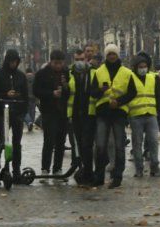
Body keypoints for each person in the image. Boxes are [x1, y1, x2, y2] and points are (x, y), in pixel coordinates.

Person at [89, 44, 136, 188]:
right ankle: (99, 176)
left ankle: (117, 176)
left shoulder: (127, 73)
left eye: (113, 54)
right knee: (101, 145)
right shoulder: (98, 72)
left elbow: (132, 92)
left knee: (119, 145)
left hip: (119, 112)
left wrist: (120, 102)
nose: (111, 56)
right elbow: (92, 92)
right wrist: (101, 90)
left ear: (117, 55)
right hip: (103, 111)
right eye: (109, 54)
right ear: (106, 56)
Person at [0, 49, 29, 185]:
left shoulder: (21, 76)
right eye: (11, 62)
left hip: (17, 113)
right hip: (3, 113)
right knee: (1, 142)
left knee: (17, 143)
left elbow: (25, 95)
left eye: (16, 62)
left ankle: (16, 170)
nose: (13, 64)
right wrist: (6, 95)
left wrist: (22, 109)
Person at [33, 50, 71, 176]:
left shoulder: (66, 73)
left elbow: (70, 91)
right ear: (51, 61)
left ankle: (57, 168)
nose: (58, 66)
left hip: (62, 111)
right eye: (56, 63)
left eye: (60, 63)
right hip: (49, 111)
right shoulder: (42, 74)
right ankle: (45, 168)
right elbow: (36, 90)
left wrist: (65, 88)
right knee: (49, 140)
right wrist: (51, 94)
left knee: (61, 141)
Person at [128, 54, 160, 178]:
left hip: (151, 114)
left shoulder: (153, 78)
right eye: (140, 67)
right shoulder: (130, 77)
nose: (143, 69)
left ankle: (155, 166)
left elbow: (158, 96)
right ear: (136, 67)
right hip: (136, 115)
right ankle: (139, 169)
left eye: (145, 66)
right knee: (137, 143)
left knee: (153, 141)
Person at [67, 47, 96, 185]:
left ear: (86, 59)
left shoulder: (94, 73)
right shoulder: (69, 73)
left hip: (89, 114)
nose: (79, 62)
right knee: (77, 144)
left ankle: (88, 171)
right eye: (76, 60)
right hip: (75, 114)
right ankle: (81, 169)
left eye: (81, 59)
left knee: (87, 144)